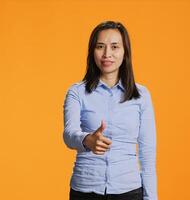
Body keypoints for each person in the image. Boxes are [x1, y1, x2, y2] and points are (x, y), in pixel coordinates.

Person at [63, 20, 157, 200]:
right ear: (92, 51)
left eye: (114, 47)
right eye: (100, 46)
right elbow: (68, 134)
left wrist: (151, 197)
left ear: (125, 52)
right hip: (85, 190)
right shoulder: (77, 92)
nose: (107, 54)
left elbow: (147, 153)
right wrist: (86, 140)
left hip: (129, 191)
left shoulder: (141, 95)